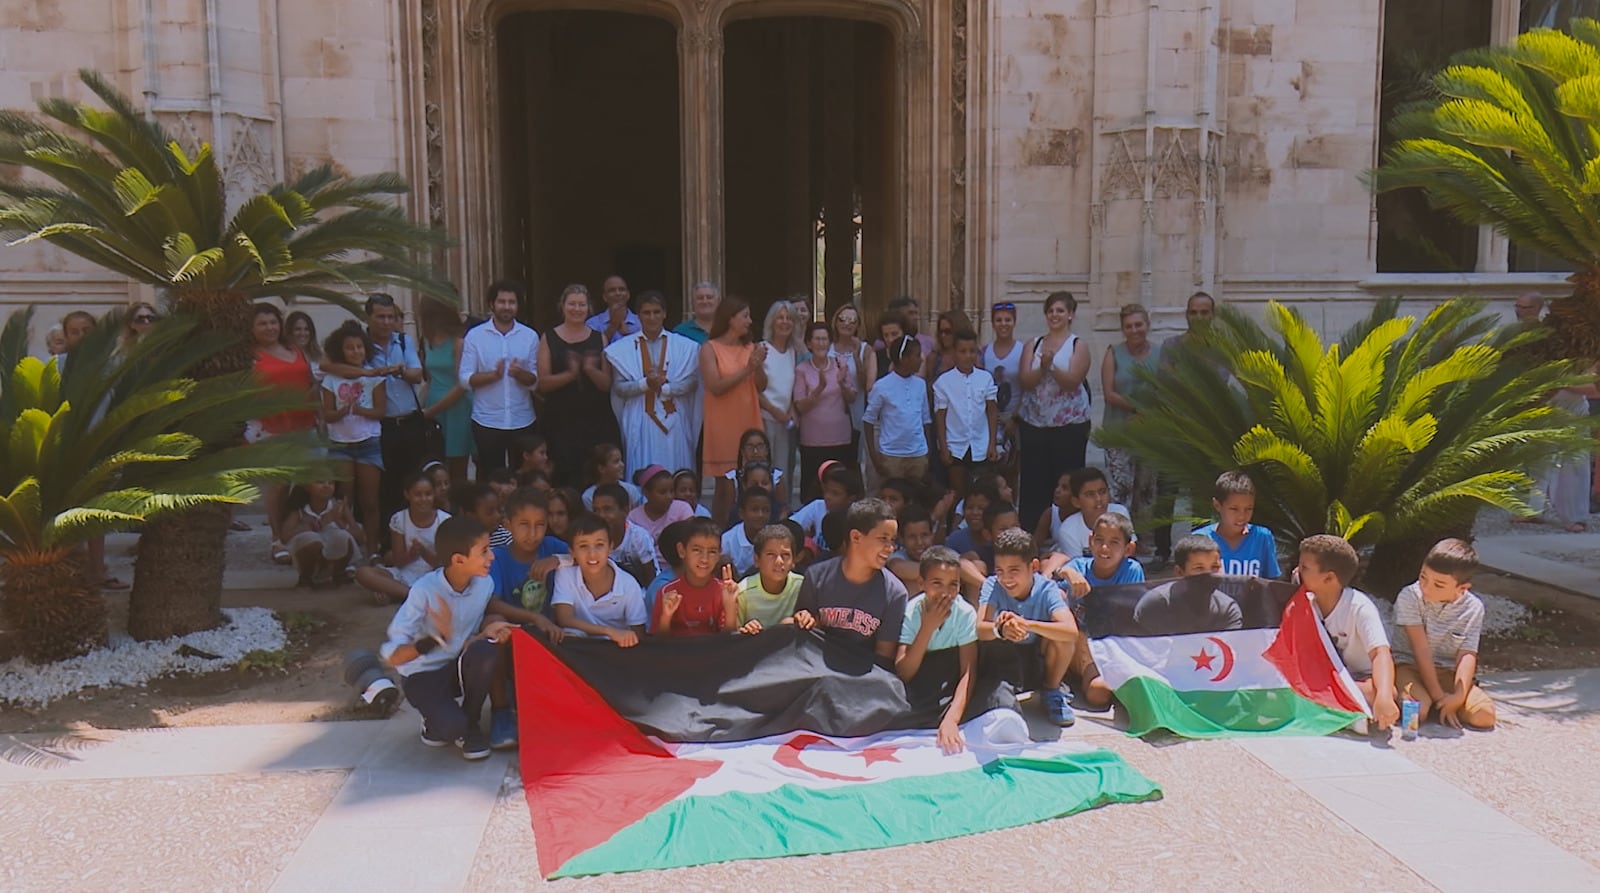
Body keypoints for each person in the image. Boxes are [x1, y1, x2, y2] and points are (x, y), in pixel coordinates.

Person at [379, 516, 509, 760]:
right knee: (448, 730)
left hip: (454, 666)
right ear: (459, 560)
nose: (491, 556)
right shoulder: (423, 591)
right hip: (421, 675)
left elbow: (466, 639)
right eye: (484, 551)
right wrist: (435, 638)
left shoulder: (484, 584)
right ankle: (438, 721)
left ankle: (471, 723)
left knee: (486, 651)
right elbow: (391, 656)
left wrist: (487, 630)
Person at [320, 293, 427, 529]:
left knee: (409, 484)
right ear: (368, 317)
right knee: (379, 491)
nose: (386, 322)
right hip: (380, 427)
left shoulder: (403, 340)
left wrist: (397, 371)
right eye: (380, 317)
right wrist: (369, 373)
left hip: (409, 422)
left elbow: (417, 374)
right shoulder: (359, 345)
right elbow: (327, 365)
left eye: (391, 317)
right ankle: (377, 542)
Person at [977, 527, 1083, 726]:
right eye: (1000, 570)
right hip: (1004, 658)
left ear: (1033, 566)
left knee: (1062, 639)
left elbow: (1071, 631)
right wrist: (1000, 630)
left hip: (1035, 656)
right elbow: (980, 629)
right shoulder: (992, 585)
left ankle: (1052, 690)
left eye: (1014, 570)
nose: (1006, 578)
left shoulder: (1047, 588)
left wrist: (1027, 624)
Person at [1391, 539, 1497, 730]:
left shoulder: (1473, 608)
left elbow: (1467, 654)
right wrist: (1439, 696)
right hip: (1409, 665)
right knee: (1416, 714)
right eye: (1423, 577)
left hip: (1448, 672)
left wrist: (1458, 696)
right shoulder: (1410, 596)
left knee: (1485, 716)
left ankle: (1442, 705)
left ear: (1462, 588)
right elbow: (1420, 649)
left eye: (1438, 585)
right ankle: (1431, 702)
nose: (1426, 587)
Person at [1298, 534, 1398, 731]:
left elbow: (1380, 653)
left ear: (1329, 578)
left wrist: (1384, 696)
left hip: (1359, 679)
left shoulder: (1359, 607)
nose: (1297, 571)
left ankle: (1334, 711)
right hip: (1325, 680)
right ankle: (1346, 714)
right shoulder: (1305, 604)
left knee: (1380, 692)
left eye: (1304, 568)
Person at [792, 497, 909, 665]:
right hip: (816, 668)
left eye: (892, 540)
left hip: (862, 677)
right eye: (883, 538)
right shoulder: (816, 576)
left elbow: (883, 659)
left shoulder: (895, 593)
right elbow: (803, 635)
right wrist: (804, 619)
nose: (890, 548)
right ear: (856, 537)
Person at [1016, 291, 1092, 529]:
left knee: (1067, 480)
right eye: (1050, 311)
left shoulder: (1078, 345)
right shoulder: (1034, 344)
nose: (1054, 315)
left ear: (1070, 314)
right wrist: (1042, 368)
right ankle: (1032, 530)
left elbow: (1072, 381)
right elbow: (1026, 380)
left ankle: (1065, 530)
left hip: (1069, 425)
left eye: (1060, 310)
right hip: (1035, 423)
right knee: (1034, 481)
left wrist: (1052, 368)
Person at [606, 290, 701, 479]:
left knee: (677, 471)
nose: (652, 317)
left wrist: (666, 388)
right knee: (644, 472)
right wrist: (645, 384)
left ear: (664, 313)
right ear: (638, 315)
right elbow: (618, 387)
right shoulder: (622, 349)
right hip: (640, 419)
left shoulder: (684, 346)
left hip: (674, 419)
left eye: (656, 312)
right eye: (646, 313)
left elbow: (692, 382)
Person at [251, 303, 318, 564]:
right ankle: (276, 539)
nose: (270, 327)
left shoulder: (295, 350)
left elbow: (311, 382)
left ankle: (298, 533)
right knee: (277, 487)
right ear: (252, 328)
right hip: (272, 428)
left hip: (305, 425)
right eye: (263, 323)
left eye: (273, 322)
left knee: (306, 484)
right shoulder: (251, 356)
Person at [896, 546, 979, 754]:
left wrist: (952, 720)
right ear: (921, 584)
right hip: (921, 682)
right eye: (937, 584)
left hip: (951, 683)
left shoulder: (965, 613)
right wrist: (927, 627)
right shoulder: (912, 612)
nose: (945, 593)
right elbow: (903, 672)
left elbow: (968, 672)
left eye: (953, 585)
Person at [538, 284, 620, 488]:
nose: (577, 309)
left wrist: (590, 370)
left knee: (594, 474)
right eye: (572, 304)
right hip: (560, 420)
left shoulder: (599, 338)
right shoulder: (548, 337)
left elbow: (607, 384)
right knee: (564, 475)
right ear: (563, 306)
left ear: (588, 308)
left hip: (595, 419)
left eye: (581, 304)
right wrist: (570, 374)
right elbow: (543, 384)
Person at [320, 322, 388, 558]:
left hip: (368, 442)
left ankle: (372, 550)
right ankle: (347, 553)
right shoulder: (330, 379)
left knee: (370, 502)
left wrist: (360, 411)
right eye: (350, 348)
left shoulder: (374, 378)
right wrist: (340, 412)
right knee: (343, 501)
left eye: (359, 347)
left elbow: (381, 411)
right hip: (340, 444)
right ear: (341, 351)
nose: (356, 351)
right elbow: (326, 414)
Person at [458, 281, 539, 474]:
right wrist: (493, 376)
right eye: (501, 301)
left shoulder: (530, 336)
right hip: (487, 421)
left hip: (522, 419)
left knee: (523, 476)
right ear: (492, 304)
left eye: (512, 302)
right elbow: (465, 379)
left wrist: (519, 374)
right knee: (490, 477)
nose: (507, 306)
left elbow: (536, 381)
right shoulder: (475, 336)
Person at [700, 297, 767, 522]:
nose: (749, 321)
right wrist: (748, 368)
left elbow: (761, 385)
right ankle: (720, 532)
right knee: (726, 486)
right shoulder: (710, 348)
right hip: (722, 422)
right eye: (745, 316)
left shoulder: (750, 348)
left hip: (749, 418)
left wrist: (757, 367)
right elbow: (715, 386)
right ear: (730, 319)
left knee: (750, 480)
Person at [1100, 304, 1161, 540]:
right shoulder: (1113, 352)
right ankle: (1119, 538)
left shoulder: (1159, 354)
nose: (1135, 330)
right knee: (1121, 489)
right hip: (1119, 433)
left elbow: (1165, 388)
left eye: (1139, 324)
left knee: (1146, 490)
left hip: (1150, 434)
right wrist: (1137, 408)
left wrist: (1150, 413)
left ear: (1147, 325)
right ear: (1122, 329)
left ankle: (1143, 540)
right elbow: (1109, 392)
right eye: (1129, 326)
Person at [550, 512, 648, 645]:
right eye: (583, 546)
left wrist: (618, 636)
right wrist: (609, 631)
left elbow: (638, 633)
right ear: (572, 551)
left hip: (615, 649)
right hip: (579, 648)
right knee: (570, 634)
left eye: (599, 545)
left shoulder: (628, 584)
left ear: (610, 547)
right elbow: (565, 619)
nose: (592, 554)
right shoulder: (566, 573)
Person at [356, 471, 450, 605]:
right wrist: (411, 555)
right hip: (404, 573)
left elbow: (441, 564)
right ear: (407, 495)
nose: (423, 499)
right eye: (417, 495)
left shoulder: (444, 520)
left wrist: (423, 552)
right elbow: (399, 561)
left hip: (433, 575)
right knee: (363, 573)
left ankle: (395, 593)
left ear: (434, 494)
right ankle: (411, 594)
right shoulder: (399, 519)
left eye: (428, 494)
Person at [487, 488, 570, 629]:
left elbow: (584, 557)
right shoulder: (497, 558)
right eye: (524, 524)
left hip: (554, 630)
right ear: (508, 525)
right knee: (493, 620)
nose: (532, 533)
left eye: (540, 524)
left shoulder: (552, 547)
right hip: (515, 633)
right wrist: (534, 618)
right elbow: (492, 604)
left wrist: (558, 560)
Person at [793, 322, 857, 503]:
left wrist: (843, 383)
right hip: (813, 440)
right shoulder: (802, 369)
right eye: (817, 339)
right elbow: (800, 406)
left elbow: (852, 397)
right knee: (812, 490)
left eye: (825, 339)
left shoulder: (840, 364)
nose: (821, 343)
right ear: (809, 343)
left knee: (841, 488)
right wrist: (819, 389)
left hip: (840, 437)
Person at [934, 328, 998, 501]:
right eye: (962, 351)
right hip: (956, 446)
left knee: (983, 494)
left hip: (981, 444)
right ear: (954, 353)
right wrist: (943, 447)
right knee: (958, 494)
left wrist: (992, 443)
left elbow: (992, 411)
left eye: (972, 351)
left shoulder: (985, 378)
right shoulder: (943, 382)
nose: (968, 356)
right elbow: (940, 416)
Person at [1131, 534, 1242, 636]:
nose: (1209, 575)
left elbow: (1229, 652)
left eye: (1215, 567)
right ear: (1180, 572)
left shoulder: (1227, 608)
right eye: (1199, 568)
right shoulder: (1155, 604)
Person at [419, 297, 474, 484]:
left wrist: (431, 411)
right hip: (433, 405)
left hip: (457, 408)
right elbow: (430, 379)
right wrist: (419, 409)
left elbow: (462, 384)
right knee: (434, 469)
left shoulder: (458, 342)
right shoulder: (428, 342)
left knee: (457, 470)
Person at [863, 335, 932, 482]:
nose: (921, 359)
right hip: (891, 455)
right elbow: (868, 420)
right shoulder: (882, 386)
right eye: (917, 355)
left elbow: (925, 419)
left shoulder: (920, 385)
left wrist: (927, 452)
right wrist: (874, 457)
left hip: (918, 454)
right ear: (904, 359)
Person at [653, 518, 736, 636]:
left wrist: (730, 607)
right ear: (682, 551)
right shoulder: (667, 592)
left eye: (712, 552)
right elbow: (658, 643)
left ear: (719, 554)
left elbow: (730, 641)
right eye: (697, 550)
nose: (704, 559)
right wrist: (666, 616)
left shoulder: (724, 591)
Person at [1193, 470, 1282, 578]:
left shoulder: (1262, 537)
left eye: (1248, 509)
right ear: (1217, 505)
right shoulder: (1200, 539)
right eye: (1234, 509)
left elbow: (1272, 581)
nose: (1242, 516)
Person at [1037, 467, 1131, 565]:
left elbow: (1129, 553)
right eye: (1090, 494)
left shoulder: (1120, 513)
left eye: (1102, 492)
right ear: (1076, 502)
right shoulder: (1068, 530)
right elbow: (1079, 568)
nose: (1098, 499)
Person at [280, 480, 363, 589]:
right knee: (311, 539)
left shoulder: (338, 506)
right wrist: (306, 527)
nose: (326, 486)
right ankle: (306, 579)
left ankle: (339, 574)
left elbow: (359, 536)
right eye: (320, 482)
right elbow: (284, 537)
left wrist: (338, 521)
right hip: (310, 562)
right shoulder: (299, 510)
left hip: (334, 560)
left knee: (342, 536)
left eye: (331, 483)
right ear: (307, 487)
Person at [758, 300, 800, 504]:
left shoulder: (793, 352)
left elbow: (793, 387)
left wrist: (791, 409)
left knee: (783, 471)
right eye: (780, 318)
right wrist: (775, 411)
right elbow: (753, 391)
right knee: (764, 472)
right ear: (771, 322)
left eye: (788, 318)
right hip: (765, 419)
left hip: (786, 421)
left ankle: (783, 513)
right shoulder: (762, 349)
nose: (784, 322)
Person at [735, 524, 804, 633]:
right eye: (771, 554)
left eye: (785, 555)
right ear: (757, 560)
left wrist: (806, 618)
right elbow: (733, 637)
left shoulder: (802, 586)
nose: (779, 561)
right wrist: (746, 630)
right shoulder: (743, 592)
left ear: (793, 561)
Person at [590, 482, 658, 582]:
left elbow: (650, 578)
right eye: (596, 510)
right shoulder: (592, 538)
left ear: (625, 510)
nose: (601, 515)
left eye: (607, 509)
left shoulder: (638, 537)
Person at [787, 462, 862, 551]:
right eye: (826, 491)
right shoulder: (817, 506)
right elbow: (789, 527)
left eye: (835, 493)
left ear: (850, 499)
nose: (828, 496)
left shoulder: (858, 515)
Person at [980, 301, 1022, 444]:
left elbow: (1027, 389)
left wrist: (1015, 419)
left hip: (1016, 418)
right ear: (992, 323)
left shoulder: (1023, 351)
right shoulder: (985, 352)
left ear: (1014, 322)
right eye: (998, 320)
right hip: (990, 420)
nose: (1003, 324)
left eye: (1008, 320)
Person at [1067, 513, 1145, 588]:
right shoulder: (1078, 567)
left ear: (1128, 549)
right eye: (1099, 539)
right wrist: (1066, 573)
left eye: (1114, 542)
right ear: (1091, 541)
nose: (1104, 547)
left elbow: (1134, 600)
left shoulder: (1131, 570)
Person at [828, 303, 869, 447]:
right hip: (830, 413)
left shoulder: (866, 349)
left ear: (858, 325)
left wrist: (856, 357)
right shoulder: (826, 347)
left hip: (856, 412)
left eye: (852, 320)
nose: (847, 324)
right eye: (842, 319)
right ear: (835, 322)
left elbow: (867, 385)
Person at [629, 464, 694, 544]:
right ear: (646, 492)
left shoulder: (682, 509)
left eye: (671, 491)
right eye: (662, 492)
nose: (669, 496)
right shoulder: (633, 518)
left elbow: (690, 540)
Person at [721, 487, 772, 577]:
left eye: (765, 510)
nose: (761, 515)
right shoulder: (727, 540)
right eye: (755, 510)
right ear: (742, 514)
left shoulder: (774, 538)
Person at [886, 503, 937, 592]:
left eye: (924, 535)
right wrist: (946, 573)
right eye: (912, 537)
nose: (919, 542)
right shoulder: (899, 556)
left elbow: (963, 564)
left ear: (932, 535)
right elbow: (898, 568)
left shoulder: (939, 553)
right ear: (902, 539)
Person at [581, 443, 642, 509]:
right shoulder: (588, 497)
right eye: (616, 462)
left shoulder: (631, 490)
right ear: (601, 468)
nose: (622, 465)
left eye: (621, 460)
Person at [923, 309, 976, 385]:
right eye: (941, 332)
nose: (943, 335)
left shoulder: (974, 357)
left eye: (947, 332)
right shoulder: (934, 359)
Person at [453, 481, 510, 549]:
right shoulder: (459, 541)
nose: (497, 516)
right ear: (471, 516)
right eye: (490, 512)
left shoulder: (505, 538)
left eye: (499, 510)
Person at [587, 274, 640, 345]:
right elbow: (594, 351)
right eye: (612, 290)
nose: (618, 293)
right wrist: (613, 325)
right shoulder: (593, 323)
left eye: (622, 289)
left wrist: (627, 335)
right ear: (605, 297)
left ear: (628, 295)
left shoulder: (641, 321)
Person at [285, 311, 323, 383]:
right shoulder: (284, 355)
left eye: (306, 329)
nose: (303, 333)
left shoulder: (319, 355)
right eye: (297, 329)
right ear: (289, 331)